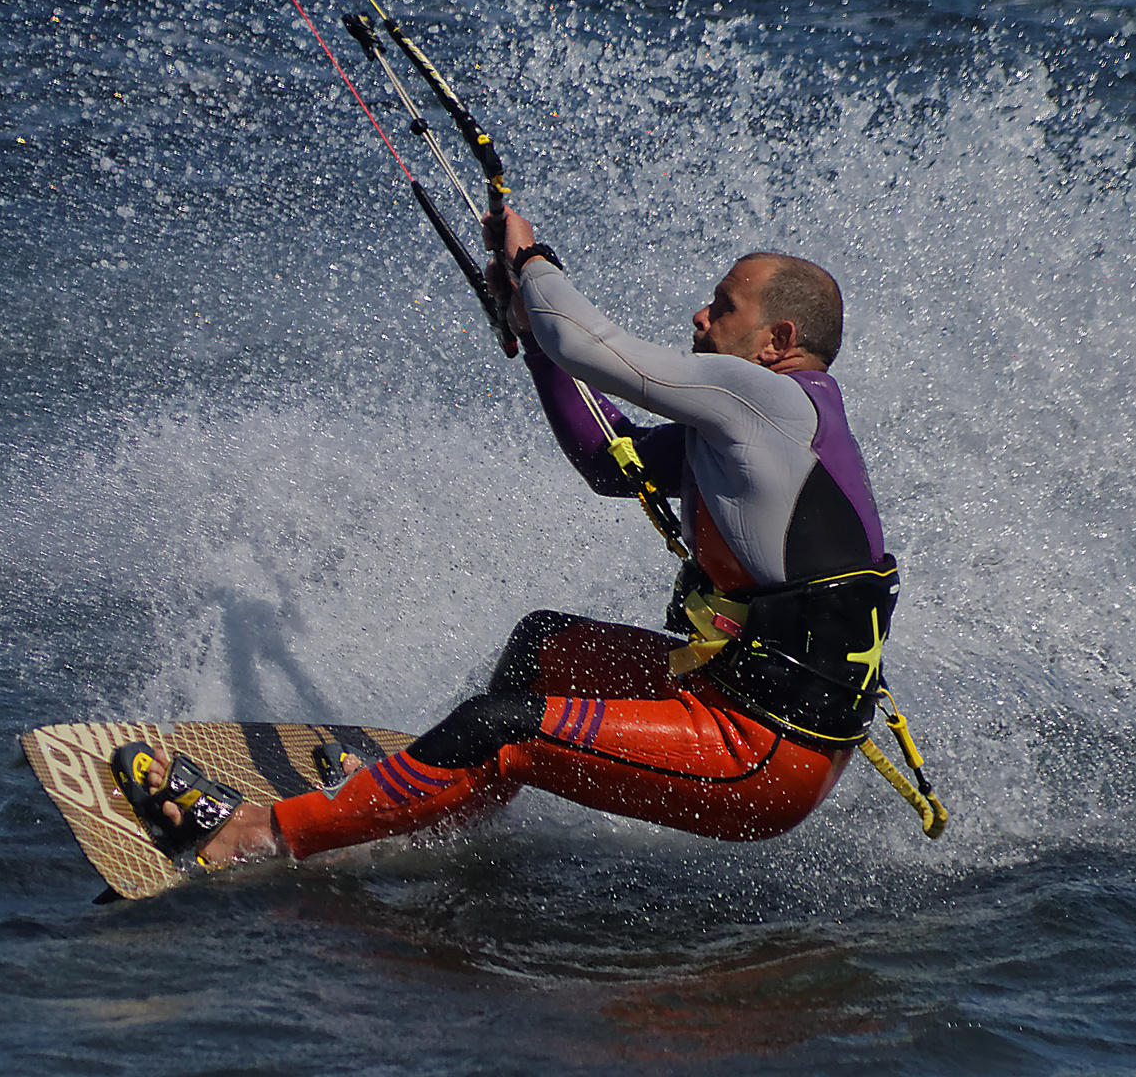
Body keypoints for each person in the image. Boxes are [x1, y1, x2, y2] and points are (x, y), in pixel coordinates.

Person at [111, 206, 900, 870]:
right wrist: (528, 330)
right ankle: (443, 812)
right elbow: (607, 460)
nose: (700, 315)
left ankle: (252, 838)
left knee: (503, 725)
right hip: (725, 700)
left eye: (722, 306)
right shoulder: (744, 430)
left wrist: (532, 258)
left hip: (762, 756)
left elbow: (590, 347)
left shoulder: (769, 400)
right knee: (544, 646)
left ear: (777, 338)